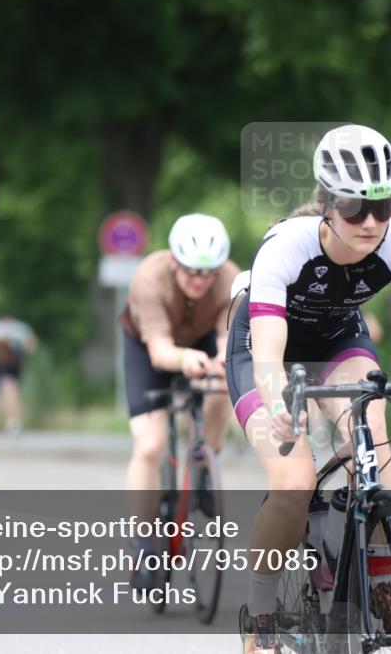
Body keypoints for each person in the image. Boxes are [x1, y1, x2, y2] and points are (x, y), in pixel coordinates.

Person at [226, 125, 391, 653]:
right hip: (264, 349)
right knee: (293, 482)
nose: (371, 222)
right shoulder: (285, 246)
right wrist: (279, 406)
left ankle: (381, 579)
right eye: (355, 208)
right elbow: (268, 351)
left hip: (339, 339)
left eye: (382, 207)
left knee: (372, 425)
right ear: (326, 205)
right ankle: (261, 614)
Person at [118, 213, 239, 590]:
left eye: (208, 273)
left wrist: (219, 364)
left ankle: (204, 459)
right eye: (190, 272)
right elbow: (160, 352)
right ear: (174, 261)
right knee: (149, 445)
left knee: (223, 383)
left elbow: (228, 343)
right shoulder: (149, 277)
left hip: (202, 337)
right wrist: (186, 360)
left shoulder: (231, 281)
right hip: (147, 345)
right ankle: (143, 545)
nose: (199, 280)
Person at [0, 316, 38, 434]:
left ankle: (13, 421)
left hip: (7, 364)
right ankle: (13, 420)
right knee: (11, 390)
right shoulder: (21, 327)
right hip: (12, 364)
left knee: (8, 390)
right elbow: (32, 346)